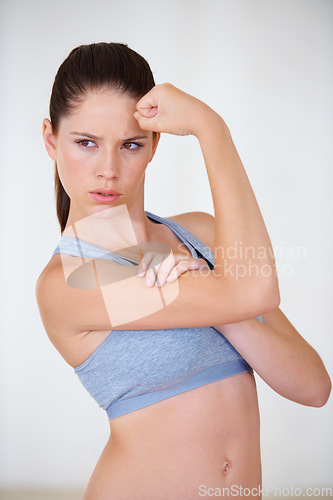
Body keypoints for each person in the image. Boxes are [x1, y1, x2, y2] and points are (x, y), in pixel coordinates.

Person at [36, 42, 331, 499]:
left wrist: (216, 301)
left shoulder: (200, 234)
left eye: (130, 144)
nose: (109, 169)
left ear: (154, 144)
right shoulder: (72, 282)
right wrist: (212, 129)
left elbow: (313, 386)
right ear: (51, 140)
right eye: (86, 143)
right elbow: (253, 292)